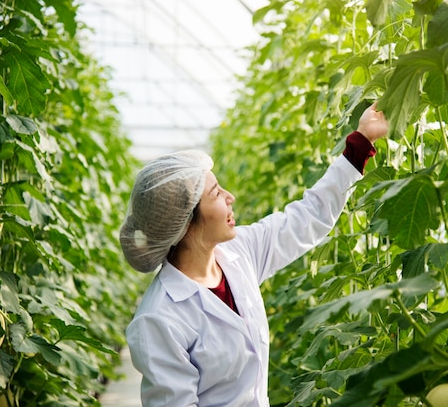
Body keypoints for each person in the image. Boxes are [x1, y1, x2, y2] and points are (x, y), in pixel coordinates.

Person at [119, 102, 389, 407]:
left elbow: (306, 219)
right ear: (185, 224)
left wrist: (362, 139)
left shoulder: (237, 252)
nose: (230, 197)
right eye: (216, 193)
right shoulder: (159, 319)